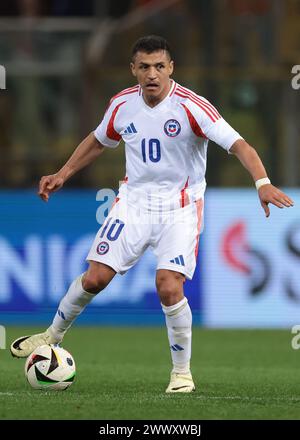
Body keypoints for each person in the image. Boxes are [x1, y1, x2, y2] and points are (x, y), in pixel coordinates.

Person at [10, 35, 294, 393]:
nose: (152, 74)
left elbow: (241, 145)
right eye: (144, 67)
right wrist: (62, 174)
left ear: (171, 68)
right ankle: (52, 336)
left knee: (168, 285)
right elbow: (98, 140)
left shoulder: (193, 106)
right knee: (96, 277)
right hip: (132, 203)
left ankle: (181, 374)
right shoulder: (122, 104)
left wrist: (262, 183)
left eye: (160, 66)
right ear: (133, 70)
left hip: (180, 208)